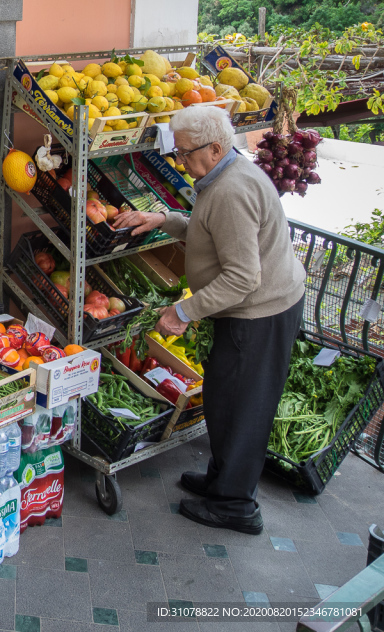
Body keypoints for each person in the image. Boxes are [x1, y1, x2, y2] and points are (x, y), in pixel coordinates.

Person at [113, 105, 305, 534]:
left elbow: (242, 277)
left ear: (215, 147)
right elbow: (207, 229)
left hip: (260, 312)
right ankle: (224, 479)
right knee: (226, 397)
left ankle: (235, 505)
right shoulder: (220, 174)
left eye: (184, 153)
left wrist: (182, 311)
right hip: (256, 307)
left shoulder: (233, 190)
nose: (180, 161)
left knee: (242, 407)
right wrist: (164, 219)